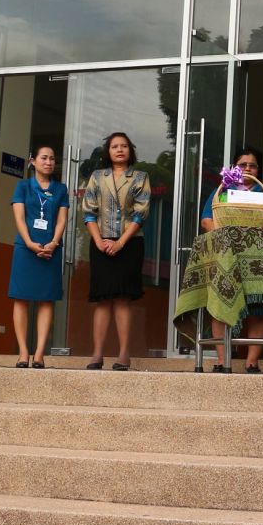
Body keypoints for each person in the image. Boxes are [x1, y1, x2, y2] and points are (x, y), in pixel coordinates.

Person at [200, 146, 263, 373]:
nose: (247, 168)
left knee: (259, 309)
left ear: (259, 169)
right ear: (234, 168)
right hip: (225, 258)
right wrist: (228, 238)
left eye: (252, 165)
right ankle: (222, 361)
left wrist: (252, 241)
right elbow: (206, 220)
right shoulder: (222, 191)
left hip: (258, 259)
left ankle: (252, 362)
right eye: (242, 165)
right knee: (220, 306)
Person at [81, 131, 151, 371]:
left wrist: (120, 242)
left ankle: (123, 355)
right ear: (108, 152)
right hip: (100, 243)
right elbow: (88, 212)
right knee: (102, 299)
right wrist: (99, 240)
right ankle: (97, 354)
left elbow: (141, 214)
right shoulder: (97, 177)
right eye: (114, 146)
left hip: (130, 244)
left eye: (124, 146)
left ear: (130, 150)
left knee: (123, 299)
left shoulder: (140, 177)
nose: (119, 150)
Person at [7, 144, 67, 368]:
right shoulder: (22, 186)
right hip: (26, 248)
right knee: (21, 298)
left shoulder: (61, 189)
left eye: (52, 158)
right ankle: (23, 352)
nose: (49, 162)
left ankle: (40, 353)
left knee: (46, 299)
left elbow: (62, 220)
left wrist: (53, 243)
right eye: (44, 158)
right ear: (33, 161)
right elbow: (19, 218)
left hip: (51, 250)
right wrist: (30, 243)